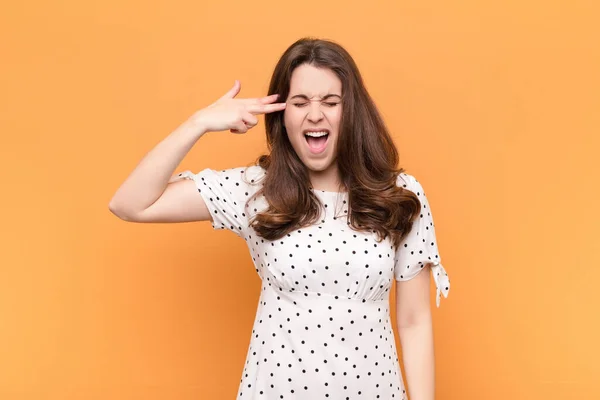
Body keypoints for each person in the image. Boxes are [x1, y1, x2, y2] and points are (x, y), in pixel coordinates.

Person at [109, 37, 450, 400]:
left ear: (351, 112)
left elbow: (414, 323)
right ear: (282, 116)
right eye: (300, 102)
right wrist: (199, 122)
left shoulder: (398, 195)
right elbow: (130, 204)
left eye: (330, 102)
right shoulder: (255, 190)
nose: (314, 114)